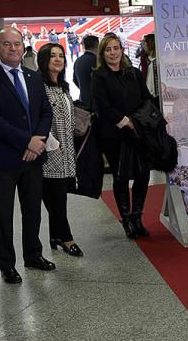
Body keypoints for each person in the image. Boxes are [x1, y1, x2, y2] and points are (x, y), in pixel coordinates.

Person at [0, 27, 56, 282]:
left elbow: (46, 112)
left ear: (23, 46)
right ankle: (7, 264)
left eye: (17, 44)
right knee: (2, 215)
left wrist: (38, 141)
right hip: (3, 160)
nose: (13, 48)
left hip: (34, 158)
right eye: (7, 44)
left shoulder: (34, 77)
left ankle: (33, 255)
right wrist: (27, 142)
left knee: (32, 209)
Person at [91, 33, 155, 238]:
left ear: (122, 49)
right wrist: (124, 121)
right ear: (103, 53)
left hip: (137, 133)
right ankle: (126, 219)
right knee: (121, 177)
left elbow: (146, 99)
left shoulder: (134, 73)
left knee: (143, 174)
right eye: (108, 49)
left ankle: (137, 216)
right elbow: (102, 106)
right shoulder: (99, 76)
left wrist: (143, 120)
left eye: (116, 48)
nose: (113, 53)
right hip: (114, 136)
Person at [37, 42, 82, 257]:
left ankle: (55, 235)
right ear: (43, 61)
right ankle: (66, 238)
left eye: (61, 56)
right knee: (55, 199)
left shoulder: (63, 86)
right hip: (49, 152)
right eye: (53, 56)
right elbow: (38, 119)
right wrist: (52, 144)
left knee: (59, 196)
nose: (58, 60)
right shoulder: (39, 86)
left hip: (67, 152)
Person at [73, 35, 98, 105]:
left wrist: (84, 89)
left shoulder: (78, 61)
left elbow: (74, 80)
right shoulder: (97, 61)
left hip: (83, 99)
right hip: (95, 102)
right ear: (97, 45)